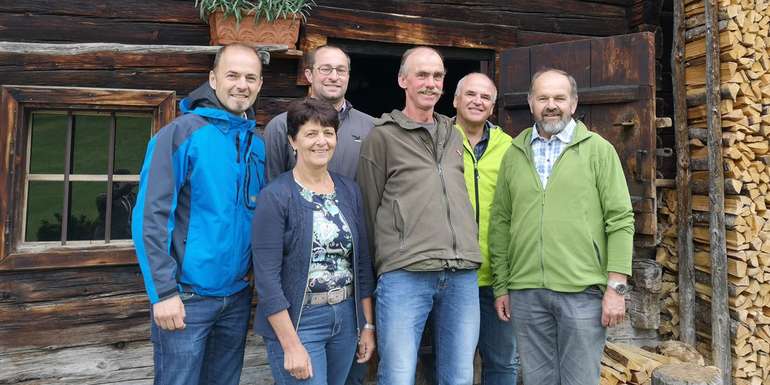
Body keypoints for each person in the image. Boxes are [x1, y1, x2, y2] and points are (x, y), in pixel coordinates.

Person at [488, 68, 634, 385]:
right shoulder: (514, 153)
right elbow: (500, 221)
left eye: (559, 97)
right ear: (530, 103)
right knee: (537, 381)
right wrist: (502, 285)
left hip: (582, 292)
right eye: (543, 98)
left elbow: (620, 220)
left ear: (573, 103)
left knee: (579, 380)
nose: (551, 105)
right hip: (525, 292)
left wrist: (616, 288)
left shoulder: (598, 150)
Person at [132, 43, 266, 385]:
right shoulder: (180, 135)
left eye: (250, 77)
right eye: (232, 75)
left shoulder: (256, 144)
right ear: (213, 79)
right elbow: (150, 217)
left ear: (260, 84)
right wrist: (163, 293)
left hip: (235, 298)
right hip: (186, 298)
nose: (242, 85)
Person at [357, 46, 481, 385]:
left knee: (459, 377)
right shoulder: (382, 137)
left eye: (438, 76)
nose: (431, 83)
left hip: (461, 273)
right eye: (422, 75)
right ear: (403, 80)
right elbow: (367, 211)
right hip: (404, 273)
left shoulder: (454, 136)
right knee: (398, 375)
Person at [252, 98, 376, 385]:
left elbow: (361, 266)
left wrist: (366, 325)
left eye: (328, 133)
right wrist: (291, 344)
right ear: (293, 141)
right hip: (300, 320)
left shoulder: (349, 191)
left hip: (345, 318)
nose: (321, 141)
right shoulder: (276, 196)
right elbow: (267, 279)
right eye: (311, 133)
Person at [453, 73, 517, 385]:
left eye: (486, 97)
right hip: (453, 274)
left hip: (499, 276)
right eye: (470, 94)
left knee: (503, 362)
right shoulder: (438, 140)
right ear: (455, 100)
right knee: (454, 364)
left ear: (492, 107)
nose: (478, 101)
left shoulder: (511, 148)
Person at [265, 45, 374, 181]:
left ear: (348, 76)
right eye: (325, 69)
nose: (334, 77)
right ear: (309, 75)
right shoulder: (281, 126)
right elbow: (271, 186)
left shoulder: (370, 127)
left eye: (341, 70)